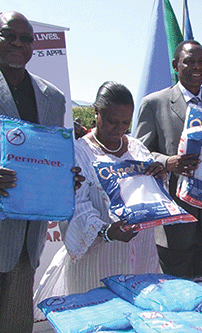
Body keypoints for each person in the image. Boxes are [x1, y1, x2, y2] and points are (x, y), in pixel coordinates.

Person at [34, 82, 163, 315]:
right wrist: (106, 232)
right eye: (113, 121)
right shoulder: (78, 152)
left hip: (141, 255)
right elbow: (76, 205)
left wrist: (156, 180)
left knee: (141, 319)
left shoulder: (138, 148)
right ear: (97, 111)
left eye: (126, 122)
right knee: (101, 319)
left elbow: (148, 195)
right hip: (97, 262)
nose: (120, 129)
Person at [0, 11, 84, 332]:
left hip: (26, 238)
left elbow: (51, 156)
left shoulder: (52, 98)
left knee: (16, 325)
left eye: (26, 38)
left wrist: (64, 178)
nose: (18, 44)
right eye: (9, 35)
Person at [135, 40, 202, 278]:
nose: (197, 67)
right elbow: (139, 154)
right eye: (189, 61)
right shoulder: (154, 104)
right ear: (175, 65)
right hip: (175, 218)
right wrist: (168, 163)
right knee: (177, 293)